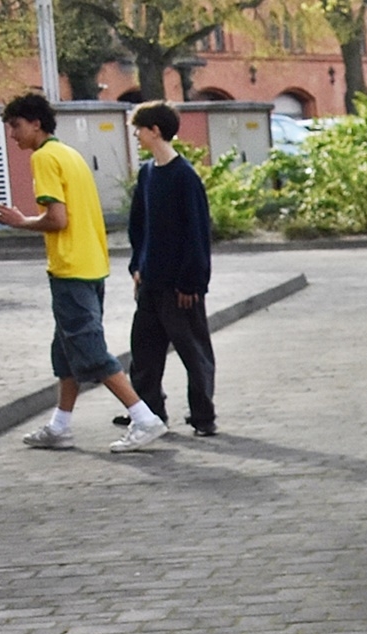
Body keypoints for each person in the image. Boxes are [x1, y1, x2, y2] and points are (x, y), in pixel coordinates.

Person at [0, 92, 167, 454]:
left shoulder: (45, 159)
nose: (13, 135)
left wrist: (20, 222)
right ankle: (60, 426)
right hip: (91, 265)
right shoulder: (69, 154)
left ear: (36, 124)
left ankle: (144, 417)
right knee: (66, 353)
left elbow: (57, 219)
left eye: (16, 126)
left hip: (71, 268)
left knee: (89, 350)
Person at [125, 102, 217, 438]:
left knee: (194, 352)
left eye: (140, 128)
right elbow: (140, 226)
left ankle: (203, 417)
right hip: (150, 282)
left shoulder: (185, 177)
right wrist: (138, 265)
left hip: (180, 287)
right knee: (144, 352)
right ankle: (149, 413)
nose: (136, 134)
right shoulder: (148, 173)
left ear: (155, 131)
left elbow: (196, 234)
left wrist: (191, 282)